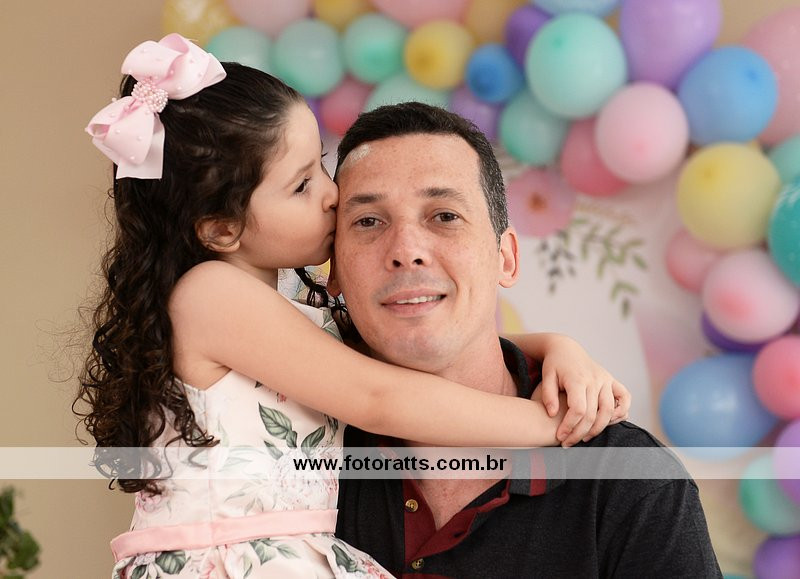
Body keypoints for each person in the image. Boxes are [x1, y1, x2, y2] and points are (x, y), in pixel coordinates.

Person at [76, 35, 630, 578]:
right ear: (222, 228)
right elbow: (379, 396)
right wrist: (549, 424)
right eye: (301, 185)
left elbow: (433, 341)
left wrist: (558, 348)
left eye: (319, 164)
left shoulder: (278, 310)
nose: (331, 194)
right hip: (229, 559)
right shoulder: (211, 295)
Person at [331, 102, 722, 578]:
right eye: (368, 221)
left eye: (444, 216)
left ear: (507, 259)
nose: (406, 251)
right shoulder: (292, 439)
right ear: (334, 268)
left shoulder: (630, 482)